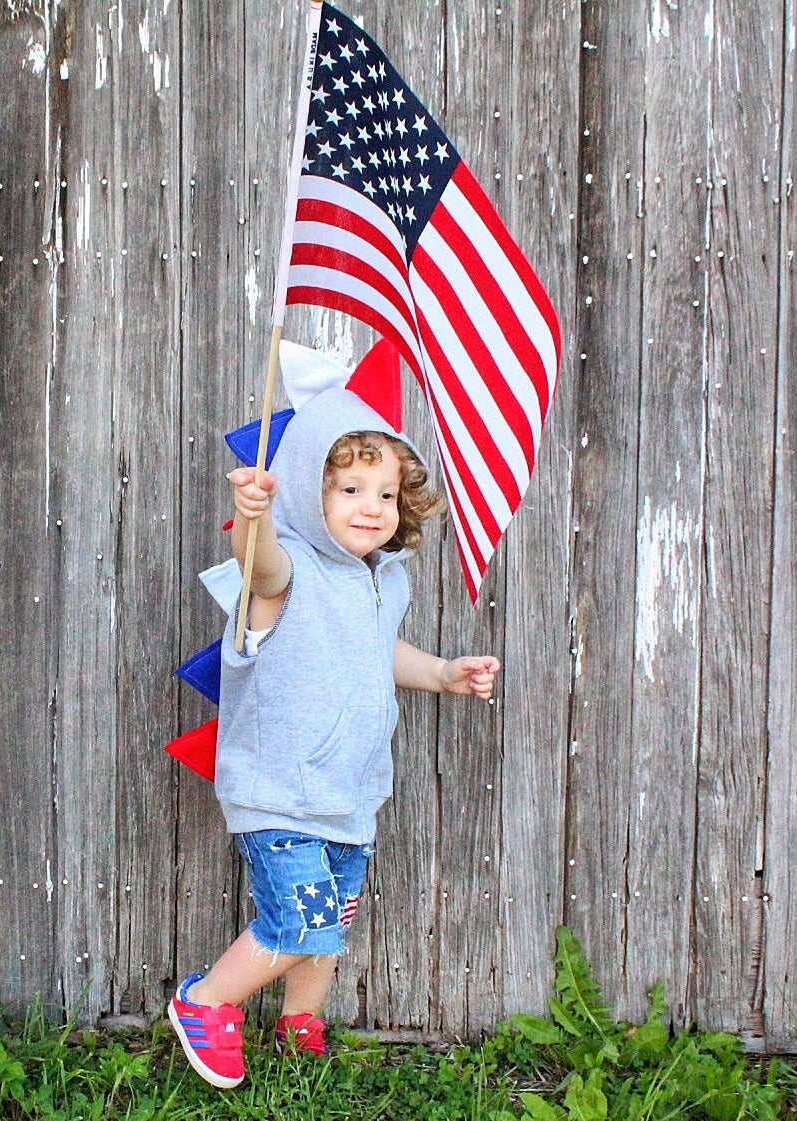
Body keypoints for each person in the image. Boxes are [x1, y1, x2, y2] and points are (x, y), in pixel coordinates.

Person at [169, 387, 500, 1089]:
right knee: (302, 918)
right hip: (282, 789)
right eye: (349, 487)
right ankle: (203, 1003)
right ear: (303, 494)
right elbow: (259, 569)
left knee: (333, 918)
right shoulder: (289, 570)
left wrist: (442, 673)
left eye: (384, 493)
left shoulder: (381, 582)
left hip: (350, 793)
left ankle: (299, 1023)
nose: (370, 506)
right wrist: (253, 521)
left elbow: (379, 653)